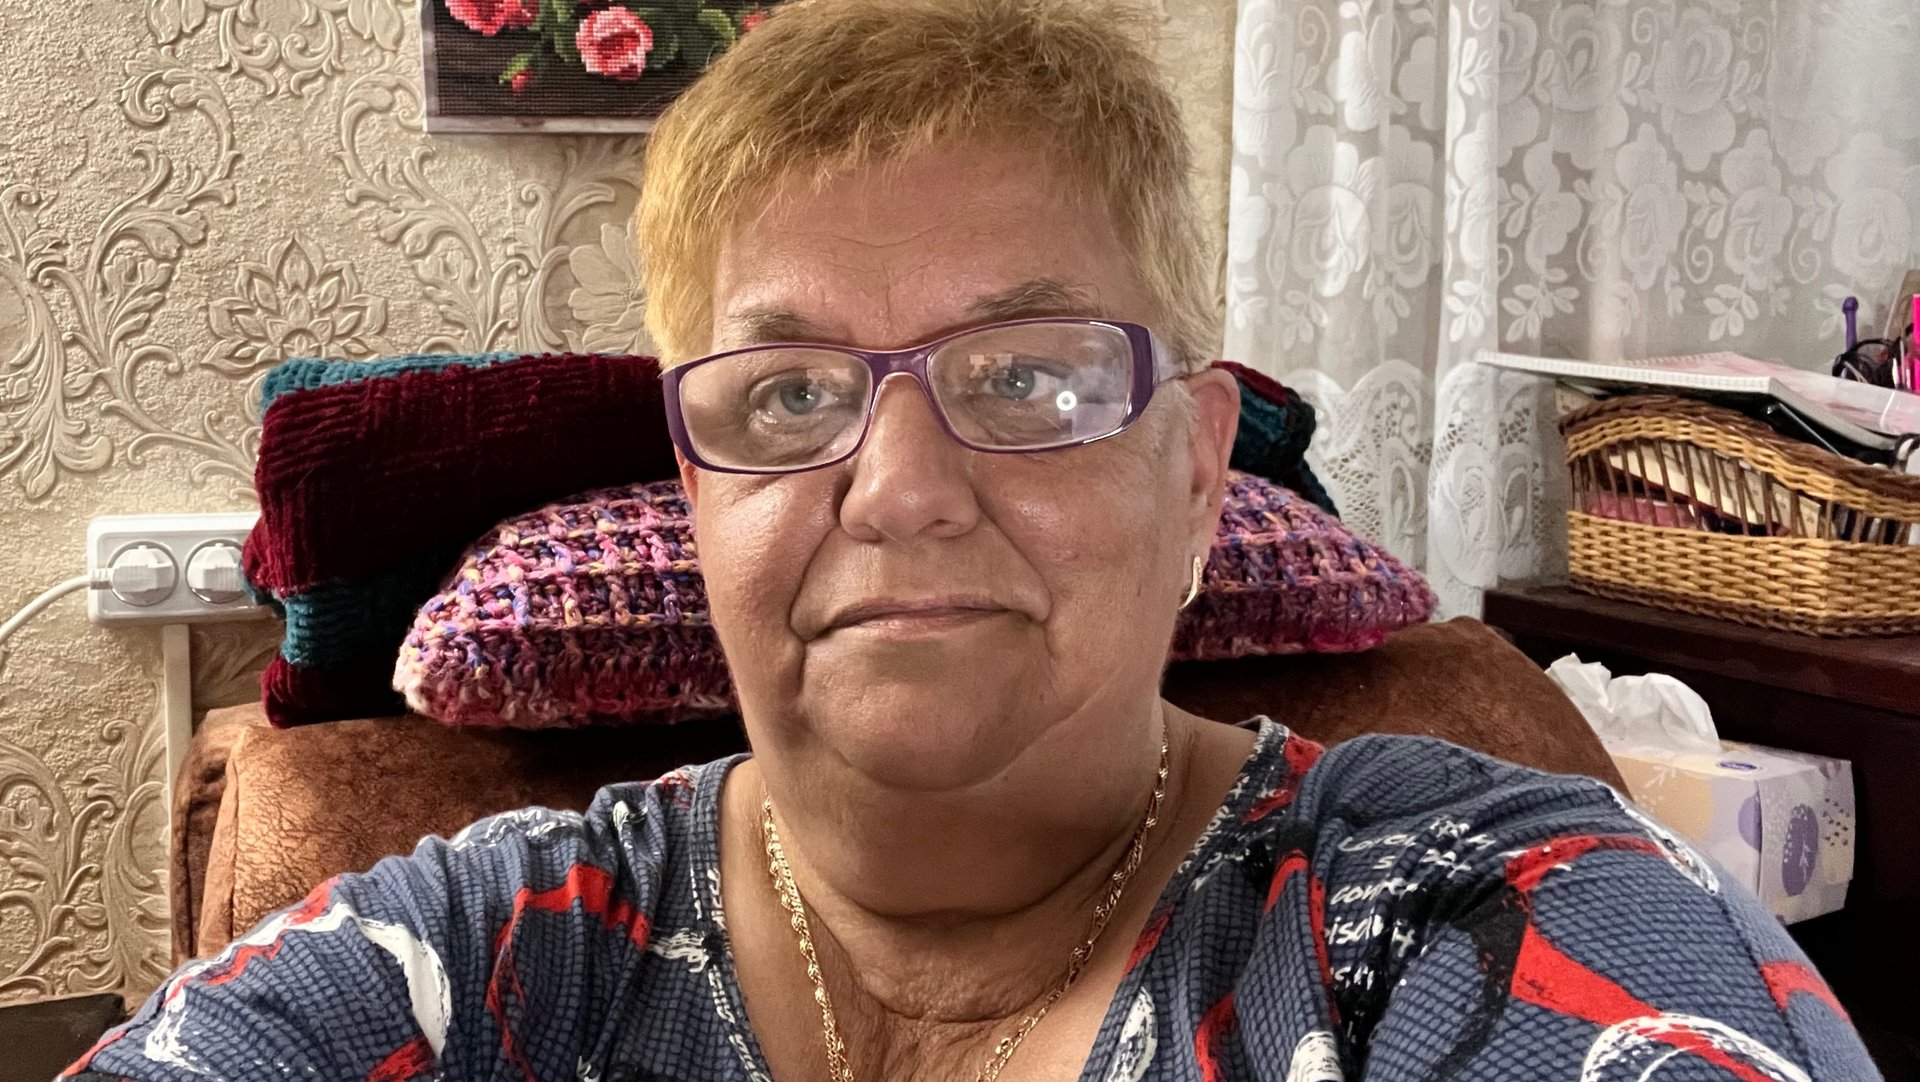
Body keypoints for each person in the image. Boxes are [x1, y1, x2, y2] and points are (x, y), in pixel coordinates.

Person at [68, 0, 1876, 1078]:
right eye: (789, 393)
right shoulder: (469, 955)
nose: (903, 486)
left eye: (1028, 374)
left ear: (1197, 475)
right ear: (696, 498)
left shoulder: (1488, 917)